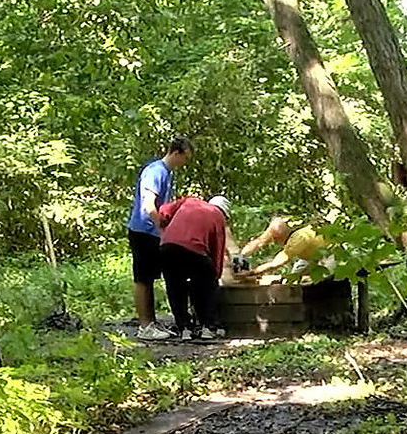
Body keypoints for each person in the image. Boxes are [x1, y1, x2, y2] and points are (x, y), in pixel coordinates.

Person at [127, 136, 193, 340]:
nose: (185, 164)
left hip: (152, 232)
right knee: (143, 279)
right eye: (185, 158)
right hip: (144, 231)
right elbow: (148, 206)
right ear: (176, 153)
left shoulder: (166, 173)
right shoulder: (156, 171)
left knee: (150, 277)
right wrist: (164, 230)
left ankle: (152, 323)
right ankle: (145, 326)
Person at [157, 195, 231, 341]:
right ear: (224, 212)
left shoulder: (189, 201)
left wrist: (168, 227)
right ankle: (207, 327)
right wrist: (216, 276)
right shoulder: (218, 217)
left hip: (167, 246)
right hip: (194, 250)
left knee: (175, 286)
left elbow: (163, 211)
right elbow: (217, 251)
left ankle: (184, 328)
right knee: (205, 285)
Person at [236, 216, 326, 277]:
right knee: (293, 277)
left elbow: (275, 264)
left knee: (324, 279)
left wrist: (251, 273)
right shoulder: (286, 223)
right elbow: (260, 240)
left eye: (275, 239)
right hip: (308, 256)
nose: (274, 241)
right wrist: (242, 254)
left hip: (327, 253)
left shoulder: (296, 241)